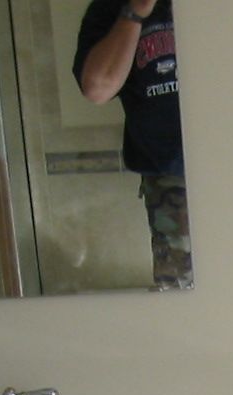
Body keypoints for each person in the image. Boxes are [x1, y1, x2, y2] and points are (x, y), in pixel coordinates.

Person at [73, 0, 191, 289]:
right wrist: (136, 11)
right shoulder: (112, 7)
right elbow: (97, 88)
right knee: (180, 295)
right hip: (170, 181)